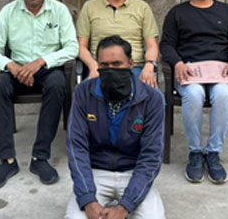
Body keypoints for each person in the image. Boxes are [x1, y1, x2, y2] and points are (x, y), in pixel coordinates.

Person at [0, 0, 78, 190]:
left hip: (47, 69)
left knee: (57, 84)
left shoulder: (59, 10)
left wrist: (41, 62)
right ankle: (7, 161)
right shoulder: (8, 12)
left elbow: (71, 48)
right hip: (17, 70)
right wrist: (12, 66)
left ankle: (40, 157)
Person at [160, 0, 228, 184]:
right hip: (190, 71)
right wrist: (177, 63)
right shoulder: (177, 13)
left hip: (221, 70)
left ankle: (213, 153)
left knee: (223, 95)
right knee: (194, 95)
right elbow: (166, 44)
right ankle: (195, 152)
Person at [66, 36, 165, 219]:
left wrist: (124, 207)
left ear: (130, 64)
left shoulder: (152, 98)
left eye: (117, 64)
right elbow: (76, 147)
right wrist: (88, 199)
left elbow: (151, 156)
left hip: (133, 172)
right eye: (104, 65)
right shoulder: (83, 93)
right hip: (96, 171)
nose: (110, 69)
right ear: (97, 66)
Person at [76, 0, 159, 87]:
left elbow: (152, 45)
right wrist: (93, 65)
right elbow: (81, 46)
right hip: (101, 68)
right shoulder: (89, 7)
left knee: (154, 96)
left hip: (134, 68)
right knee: (84, 94)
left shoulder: (142, 7)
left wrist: (149, 65)